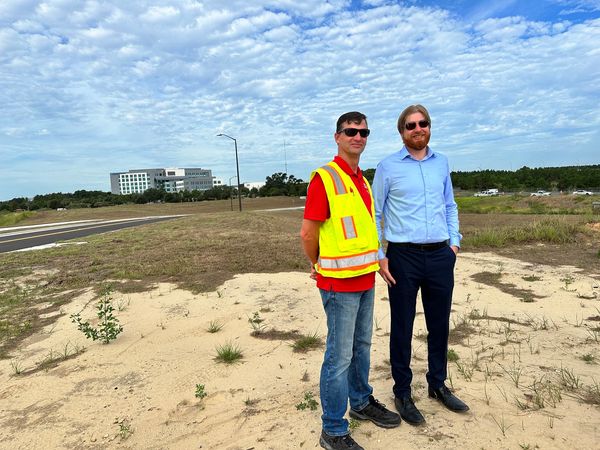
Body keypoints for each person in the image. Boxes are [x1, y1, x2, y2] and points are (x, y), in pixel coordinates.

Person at [300, 111, 401, 450]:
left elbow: (366, 229)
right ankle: (333, 429)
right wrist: (318, 263)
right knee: (339, 356)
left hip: (364, 280)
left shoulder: (362, 179)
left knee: (360, 348)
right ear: (337, 137)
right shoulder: (324, 178)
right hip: (337, 284)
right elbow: (308, 232)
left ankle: (360, 402)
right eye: (351, 131)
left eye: (363, 132)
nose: (358, 137)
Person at [372, 104, 469, 426]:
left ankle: (437, 385)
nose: (417, 129)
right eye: (410, 125)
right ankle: (402, 392)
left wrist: (454, 243)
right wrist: (379, 254)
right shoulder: (387, 167)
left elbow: (449, 204)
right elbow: (376, 213)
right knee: (402, 326)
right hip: (403, 256)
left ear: (429, 127)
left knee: (439, 324)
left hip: (441, 255)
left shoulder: (441, 163)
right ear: (402, 132)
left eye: (422, 123)